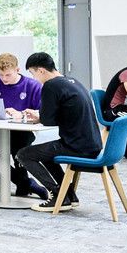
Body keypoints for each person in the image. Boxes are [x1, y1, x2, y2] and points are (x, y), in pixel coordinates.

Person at [16, 52, 102, 213]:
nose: (34, 78)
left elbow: (48, 120)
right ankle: (68, 195)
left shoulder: (51, 85)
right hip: (91, 144)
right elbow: (61, 114)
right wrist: (41, 116)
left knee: (24, 154)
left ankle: (57, 195)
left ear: (41, 70)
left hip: (76, 147)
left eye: (33, 73)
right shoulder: (72, 81)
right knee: (45, 155)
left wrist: (39, 117)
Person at [0, 53, 46, 198]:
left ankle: (23, 185)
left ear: (18, 70)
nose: (4, 79)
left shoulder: (32, 86)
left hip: (23, 131)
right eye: (1, 75)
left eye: (8, 75)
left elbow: (41, 113)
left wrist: (21, 114)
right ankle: (24, 183)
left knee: (18, 151)